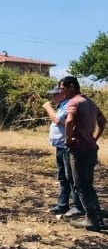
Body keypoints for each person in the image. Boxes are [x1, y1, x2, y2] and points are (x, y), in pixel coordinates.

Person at [61, 76, 106, 231]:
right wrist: (93, 138)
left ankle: (92, 220)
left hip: (79, 149)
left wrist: (68, 140)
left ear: (72, 87)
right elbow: (102, 121)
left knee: (80, 185)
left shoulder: (74, 102)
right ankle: (96, 217)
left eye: (63, 88)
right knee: (88, 185)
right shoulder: (90, 103)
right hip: (90, 149)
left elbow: (69, 121)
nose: (61, 91)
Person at [42, 84, 84, 218]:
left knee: (71, 177)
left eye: (56, 94)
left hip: (67, 147)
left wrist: (47, 107)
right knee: (63, 177)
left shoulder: (68, 105)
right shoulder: (62, 105)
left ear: (62, 93)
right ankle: (62, 204)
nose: (53, 97)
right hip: (60, 146)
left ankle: (77, 206)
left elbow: (58, 120)